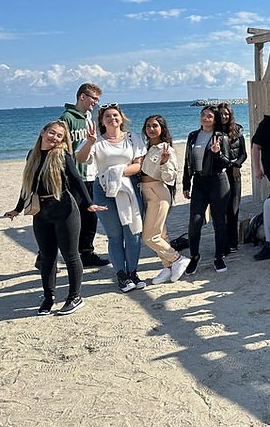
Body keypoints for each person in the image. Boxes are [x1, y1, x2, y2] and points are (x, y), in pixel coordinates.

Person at [3, 121, 105, 315]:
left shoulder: (62, 156)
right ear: (43, 132)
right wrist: (17, 209)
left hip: (65, 210)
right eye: (52, 133)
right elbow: (28, 185)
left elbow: (77, 179)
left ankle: (75, 297)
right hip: (41, 213)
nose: (55, 138)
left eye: (59, 136)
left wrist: (89, 203)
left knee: (71, 255)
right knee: (47, 257)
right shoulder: (32, 156)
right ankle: (48, 298)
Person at [77, 104, 147, 293]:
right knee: (115, 235)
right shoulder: (96, 141)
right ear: (102, 121)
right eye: (107, 116)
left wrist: (115, 173)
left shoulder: (133, 138)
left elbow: (138, 165)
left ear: (121, 118)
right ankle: (122, 275)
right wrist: (90, 142)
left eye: (115, 115)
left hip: (129, 188)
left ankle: (133, 272)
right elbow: (81, 158)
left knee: (133, 232)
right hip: (103, 191)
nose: (112, 118)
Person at [58, 82, 109, 268]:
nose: (96, 102)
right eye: (93, 98)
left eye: (97, 99)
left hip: (90, 174)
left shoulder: (89, 117)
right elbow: (62, 147)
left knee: (90, 216)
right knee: (71, 218)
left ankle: (86, 252)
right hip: (74, 176)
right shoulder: (67, 118)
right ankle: (48, 255)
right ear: (82, 97)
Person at [139, 115, 191, 285]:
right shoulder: (148, 148)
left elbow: (170, 178)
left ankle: (177, 259)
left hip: (158, 193)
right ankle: (167, 267)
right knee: (161, 234)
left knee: (149, 236)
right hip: (147, 192)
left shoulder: (166, 149)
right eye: (148, 126)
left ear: (162, 129)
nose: (151, 129)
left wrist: (164, 162)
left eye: (155, 125)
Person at [182, 106, 233, 276]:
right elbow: (188, 161)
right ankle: (194, 256)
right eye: (203, 115)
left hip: (218, 182)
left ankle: (219, 257)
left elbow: (227, 163)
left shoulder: (221, 137)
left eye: (209, 116)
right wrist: (186, 183)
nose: (205, 118)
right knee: (195, 221)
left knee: (218, 221)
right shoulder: (192, 136)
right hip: (199, 182)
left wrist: (217, 153)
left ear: (215, 119)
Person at [217, 103, 247, 253]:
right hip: (219, 174)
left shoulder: (238, 130)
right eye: (221, 113)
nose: (224, 116)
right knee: (221, 210)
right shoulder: (213, 131)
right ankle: (222, 243)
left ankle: (233, 243)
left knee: (233, 209)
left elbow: (243, 154)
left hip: (234, 174)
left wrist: (236, 165)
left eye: (226, 114)